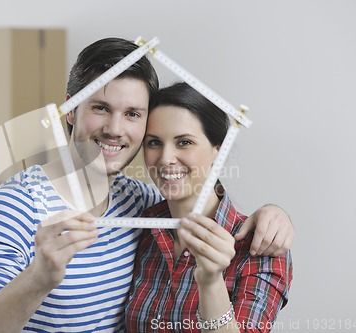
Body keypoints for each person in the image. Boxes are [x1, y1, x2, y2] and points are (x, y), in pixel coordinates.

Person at [0, 38, 294, 333]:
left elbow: (195, 194)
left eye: (132, 114)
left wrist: (273, 213)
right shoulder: (15, 206)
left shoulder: (140, 203)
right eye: (100, 107)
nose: (115, 129)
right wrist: (39, 278)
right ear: (70, 110)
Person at [124, 82, 292, 332]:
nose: (166, 158)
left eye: (184, 143)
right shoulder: (140, 225)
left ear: (218, 151)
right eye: (154, 143)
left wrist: (211, 281)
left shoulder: (261, 247)